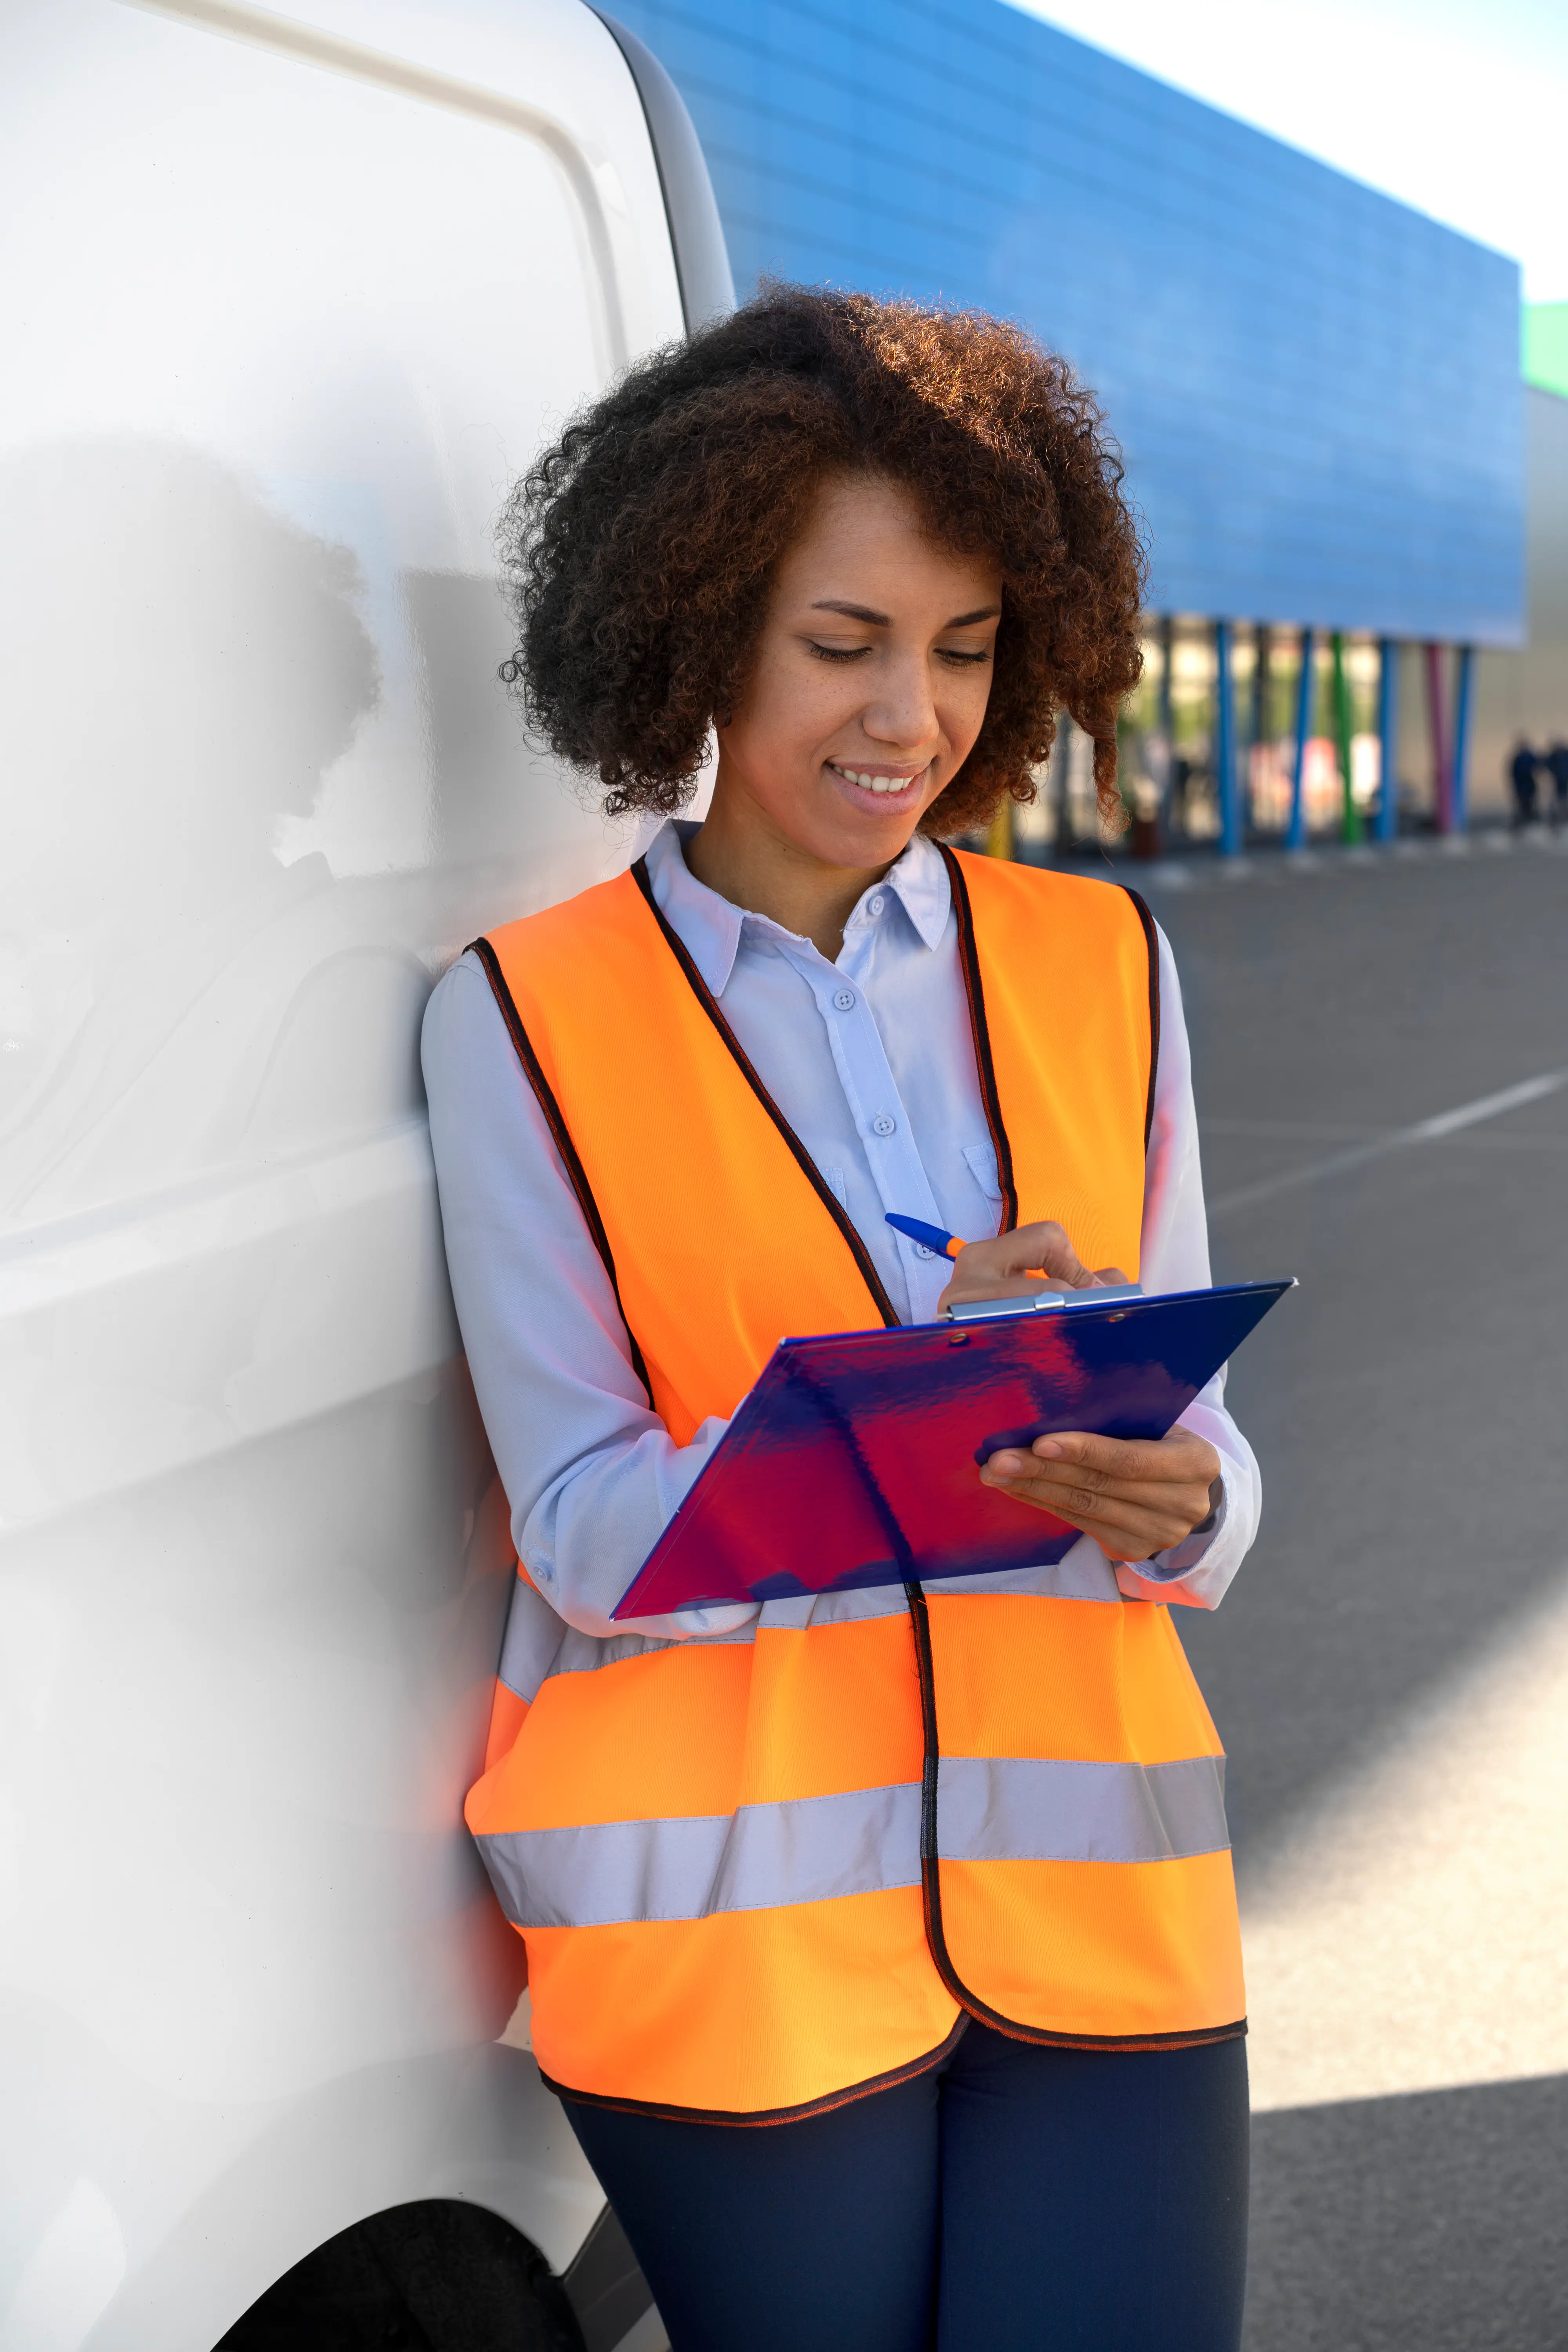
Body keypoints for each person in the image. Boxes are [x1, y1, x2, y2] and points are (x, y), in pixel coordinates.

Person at [423, 288, 1260, 2352]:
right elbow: (581, 1524)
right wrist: (919, 1413)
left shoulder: (1106, 959)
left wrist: (1191, 1502)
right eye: (844, 642)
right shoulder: (521, 1014)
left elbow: (1207, 1456)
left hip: (1104, 1906)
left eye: (965, 648)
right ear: (701, 628)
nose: (913, 716)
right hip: (731, 1948)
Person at [1508, 736, 1541, 830]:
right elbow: (1514, 774)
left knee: (1531, 803)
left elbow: (1538, 768)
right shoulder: (1518, 759)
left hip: (1530, 785)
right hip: (1522, 786)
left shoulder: (1530, 757)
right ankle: (1524, 821)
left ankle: (1531, 821)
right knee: (1523, 804)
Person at [1546, 739, 1568, 830]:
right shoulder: (1554, 756)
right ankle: (1561, 814)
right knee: (1559, 797)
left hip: (1564, 779)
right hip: (1558, 780)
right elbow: (1549, 765)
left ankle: (1564, 814)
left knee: (1563, 797)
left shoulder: (1565, 755)